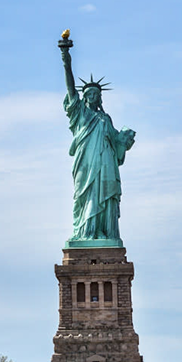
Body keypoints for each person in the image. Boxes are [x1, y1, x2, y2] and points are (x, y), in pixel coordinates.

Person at [58, 34, 136, 244]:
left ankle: (103, 232)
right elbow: (70, 87)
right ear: (84, 97)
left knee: (105, 195)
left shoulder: (105, 118)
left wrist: (125, 139)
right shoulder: (80, 114)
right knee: (84, 196)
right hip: (86, 163)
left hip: (106, 165)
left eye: (96, 94)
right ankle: (86, 233)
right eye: (89, 93)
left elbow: (116, 142)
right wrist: (66, 57)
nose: (93, 96)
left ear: (100, 98)